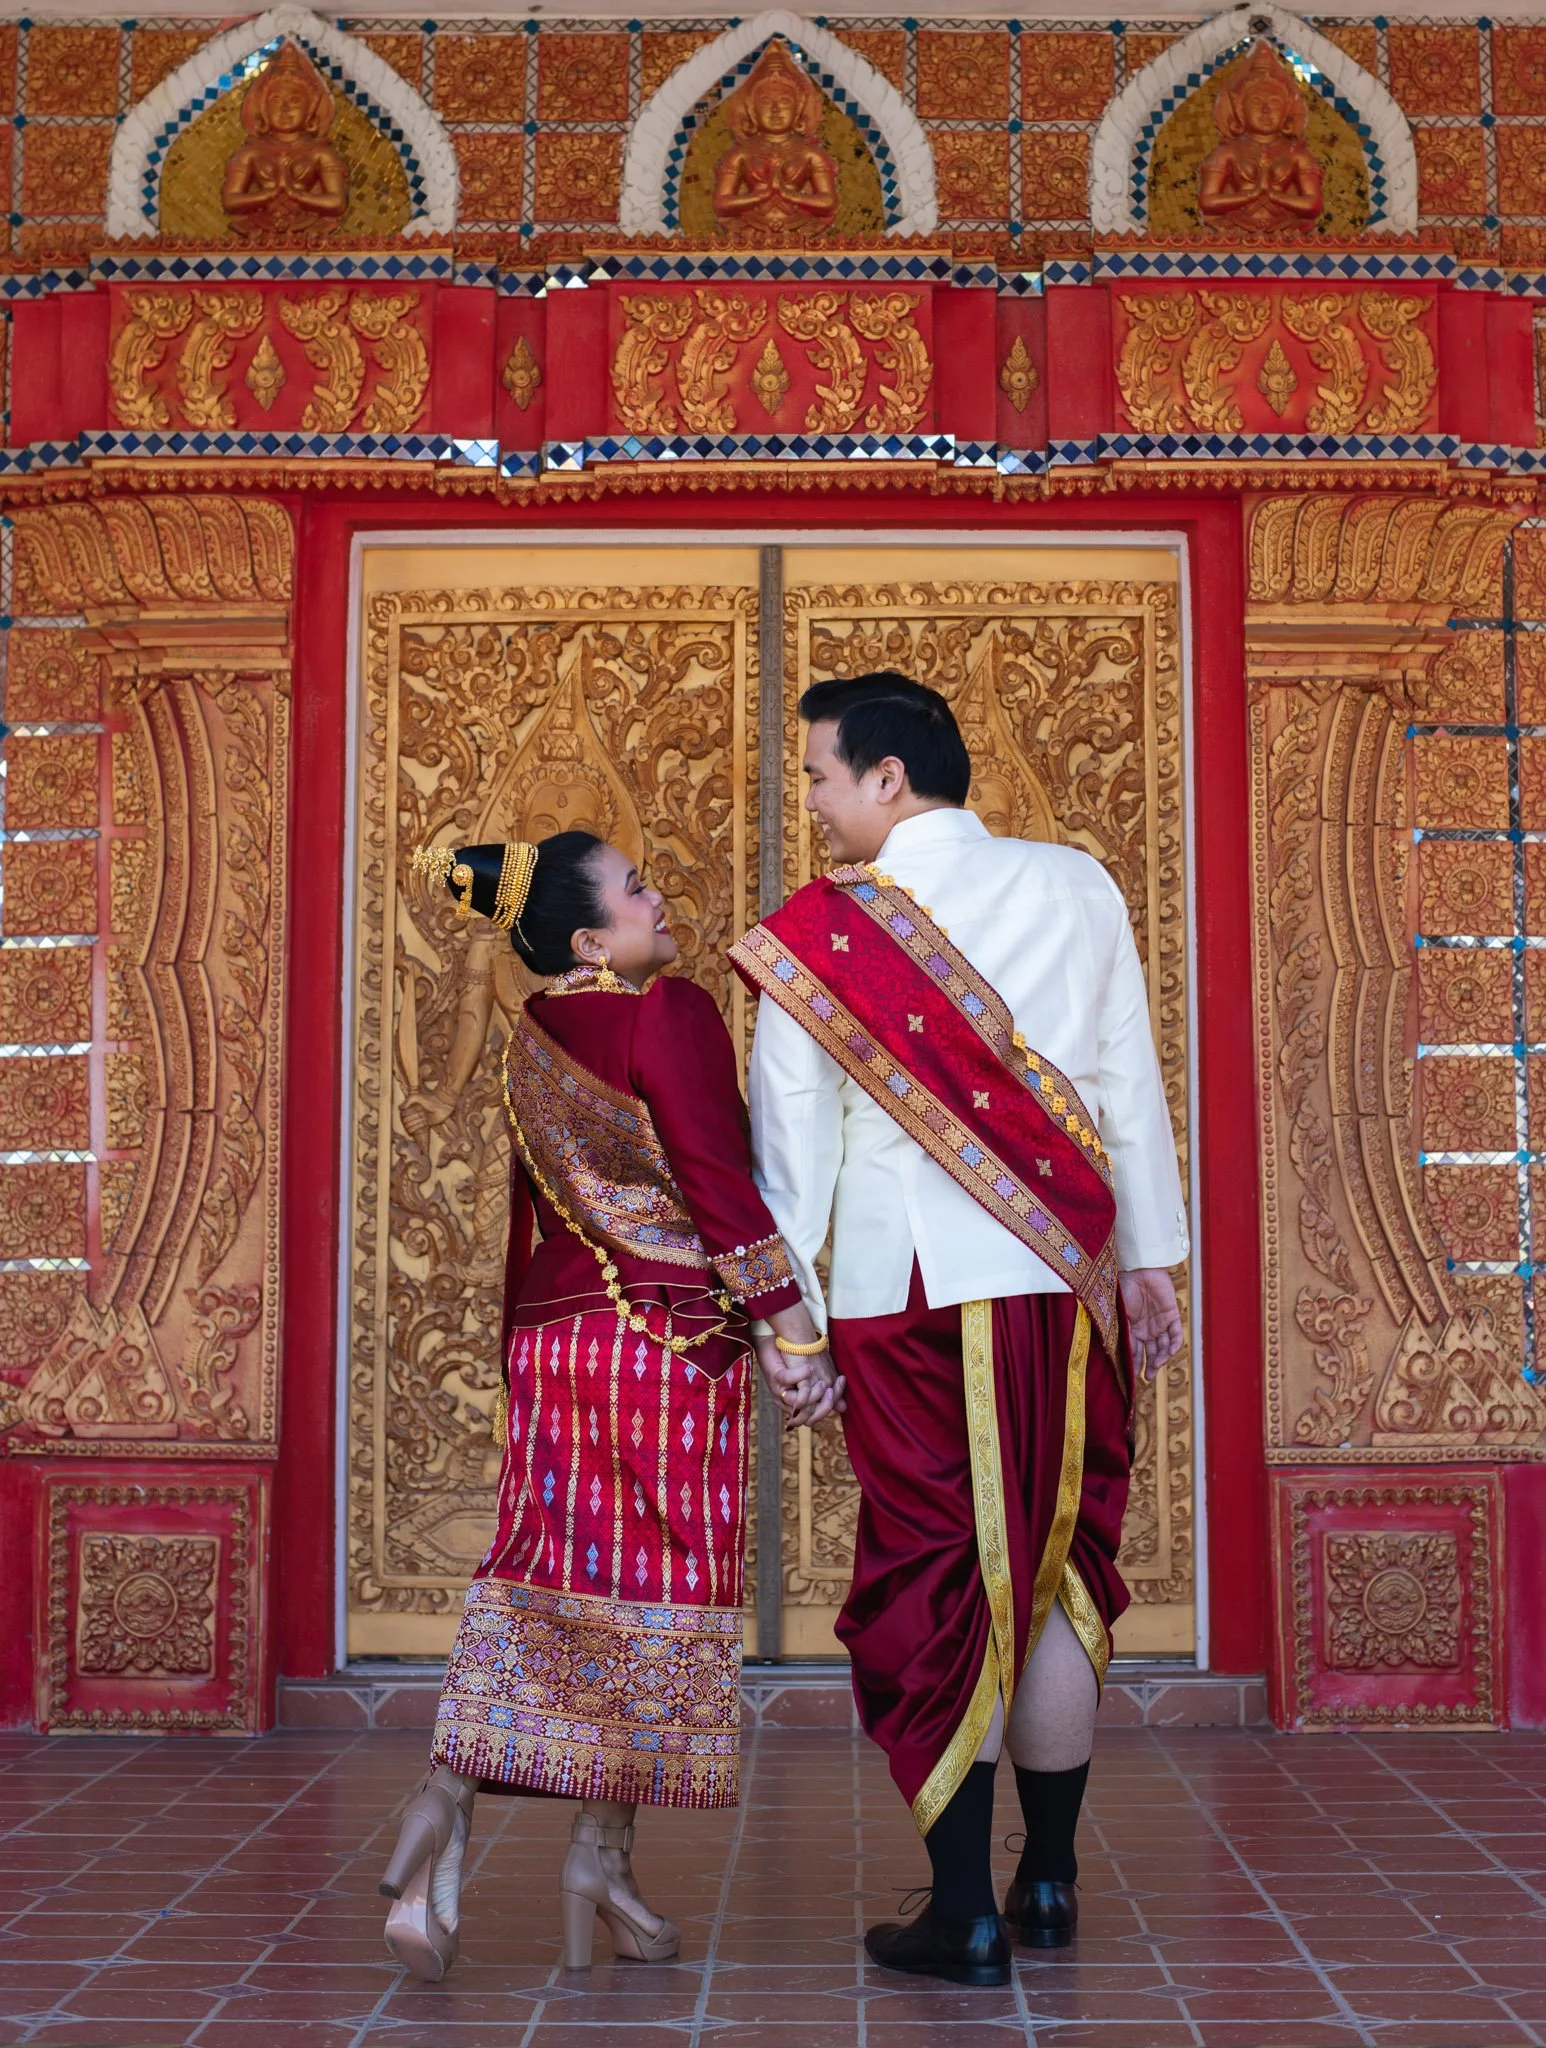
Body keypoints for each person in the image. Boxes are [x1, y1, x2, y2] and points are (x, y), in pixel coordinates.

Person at [729, 674, 1187, 1987]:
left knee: (936, 1579)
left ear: (884, 778)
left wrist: (789, 1327)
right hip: (1066, 1286)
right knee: (1052, 1566)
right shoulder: (1078, 884)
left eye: (818, 775)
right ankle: (1046, 1881)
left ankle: (959, 1910)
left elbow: (789, 1155)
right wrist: (1146, 1261)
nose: (809, 802)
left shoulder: (825, 933)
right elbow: (1125, 1085)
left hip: (910, 1292)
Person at [378, 829, 842, 1980]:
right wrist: (790, 1325)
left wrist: (509, 1352)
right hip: (663, 1345)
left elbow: (531, 1224)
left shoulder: (529, 1039)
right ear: (591, 938)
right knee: (653, 1601)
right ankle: (541, 1831)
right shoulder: (666, 1012)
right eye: (637, 889)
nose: (660, 895)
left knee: (549, 1576)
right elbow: (717, 1182)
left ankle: (514, 1835)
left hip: (555, 1345)